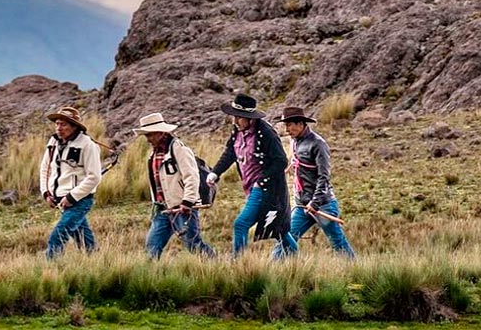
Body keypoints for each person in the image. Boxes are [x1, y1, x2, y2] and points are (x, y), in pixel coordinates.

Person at [206, 93, 297, 259]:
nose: (235, 121)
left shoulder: (266, 133)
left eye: (239, 117)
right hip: (251, 188)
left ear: (250, 118)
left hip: (266, 190)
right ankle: (296, 258)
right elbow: (230, 153)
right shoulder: (237, 131)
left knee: (241, 224)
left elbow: (280, 161)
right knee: (278, 230)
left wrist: (261, 182)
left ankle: (238, 263)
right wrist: (215, 173)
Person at [134, 112, 216, 259]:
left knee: (193, 245)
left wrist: (187, 202)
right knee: (152, 246)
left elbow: (192, 176)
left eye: (149, 135)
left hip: (182, 208)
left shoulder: (179, 149)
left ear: (159, 133)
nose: (147, 139)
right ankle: (149, 278)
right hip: (163, 209)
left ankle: (218, 267)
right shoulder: (154, 154)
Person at [277, 105, 355, 259]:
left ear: (300, 124)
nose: (287, 130)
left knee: (337, 242)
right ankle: (271, 271)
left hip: (323, 205)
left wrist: (315, 202)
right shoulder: (294, 141)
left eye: (289, 125)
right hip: (301, 205)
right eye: (285, 125)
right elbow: (297, 162)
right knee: (285, 239)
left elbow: (323, 177)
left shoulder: (318, 144)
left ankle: (357, 273)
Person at [40, 105, 101, 259]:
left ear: (74, 127)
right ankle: (99, 265)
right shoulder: (53, 142)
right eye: (57, 123)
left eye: (64, 124)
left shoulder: (88, 145)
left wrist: (71, 197)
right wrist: (46, 193)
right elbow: (45, 169)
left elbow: (94, 177)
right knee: (85, 242)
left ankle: (51, 274)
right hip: (61, 200)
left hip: (80, 201)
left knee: (57, 237)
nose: (59, 128)